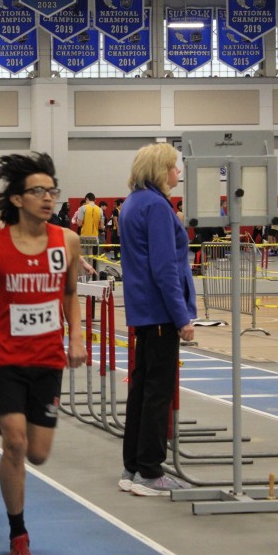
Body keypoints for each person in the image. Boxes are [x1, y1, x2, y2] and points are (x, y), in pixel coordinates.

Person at [0, 152, 87, 555]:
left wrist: (76, 338)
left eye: (52, 191)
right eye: (38, 191)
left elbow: (70, 293)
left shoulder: (67, 241)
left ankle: (6, 415)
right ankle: (18, 533)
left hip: (47, 359)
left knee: (38, 454)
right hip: (4, 357)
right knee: (14, 443)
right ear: (17, 199)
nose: (48, 198)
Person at [118, 143, 196, 497]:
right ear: (159, 171)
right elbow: (165, 267)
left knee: (141, 388)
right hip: (161, 311)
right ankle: (150, 470)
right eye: (173, 167)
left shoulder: (132, 203)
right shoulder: (157, 207)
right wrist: (182, 317)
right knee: (157, 392)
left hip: (144, 309)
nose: (177, 172)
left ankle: (133, 465)